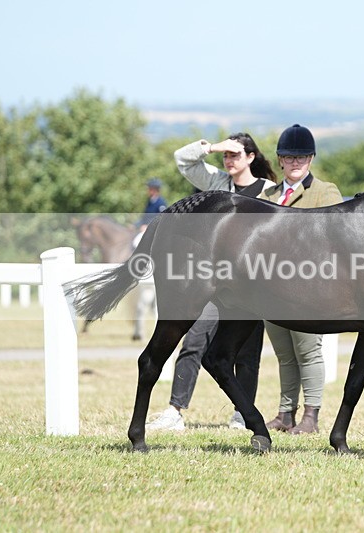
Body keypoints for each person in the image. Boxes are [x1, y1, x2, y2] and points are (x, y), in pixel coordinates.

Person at [146, 133, 276, 431]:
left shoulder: (270, 191)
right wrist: (215, 147)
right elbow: (183, 159)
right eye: (226, 156)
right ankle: (175, 410)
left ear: (252, 157)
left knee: (247, 352)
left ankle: (241, 414)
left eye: (235, 155)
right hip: (212, 280)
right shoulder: (218, 183)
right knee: (192, 341)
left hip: (252, 283)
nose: (229, 160)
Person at [258, 124, 343, 435]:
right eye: (290, 158)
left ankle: (311, 415)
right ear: (280, 160)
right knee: (284, 354)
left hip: (308, 286)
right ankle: (285, 413)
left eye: (302, 157)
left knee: (308, 350)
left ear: (311, 159)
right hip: (270, 285)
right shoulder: (266, 194)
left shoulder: (325, 191)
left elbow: (332, 236)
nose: (296, 163)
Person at [132, 178, 167, 341]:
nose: (149, 190)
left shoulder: (160, 203)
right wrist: (136, 224)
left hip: (153, 231)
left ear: (156, 189)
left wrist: (147, 226)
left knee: (137, 241)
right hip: (144, 228)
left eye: (151, 188)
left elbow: (160, 219)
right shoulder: (150, 201)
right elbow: (144, 217)